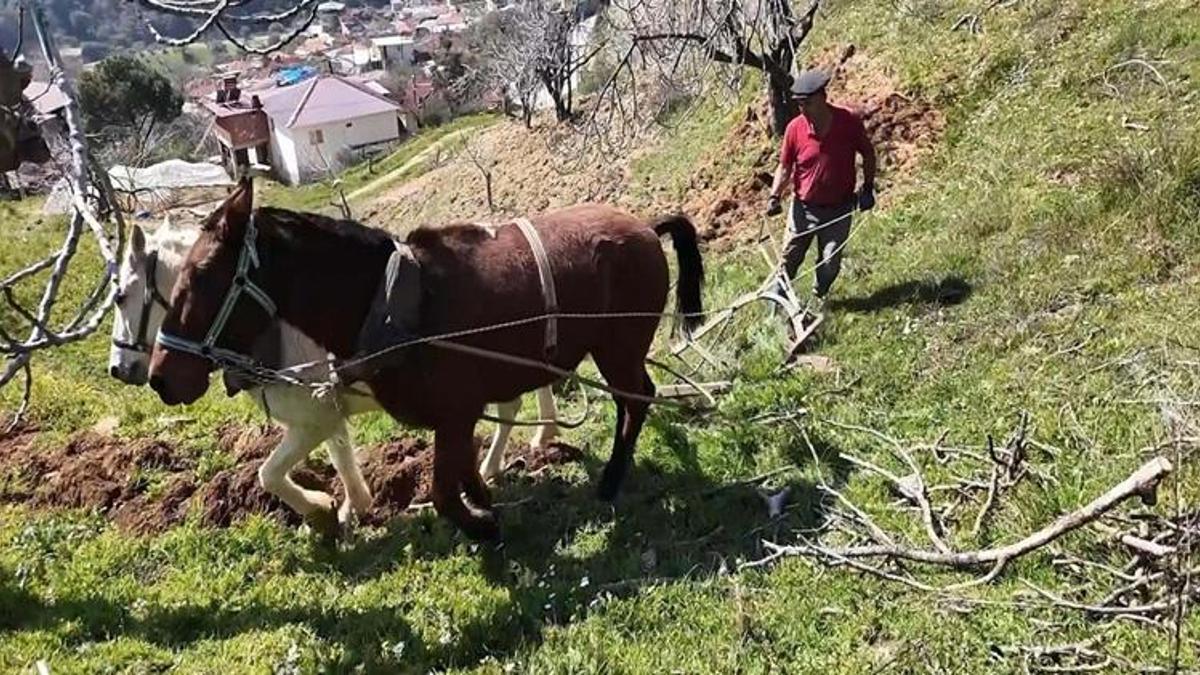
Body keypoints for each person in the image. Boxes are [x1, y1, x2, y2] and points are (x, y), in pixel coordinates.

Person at [766, 68, 877, 311]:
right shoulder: (795, 128)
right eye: (799, 104)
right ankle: (774, 308)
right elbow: (784, 167)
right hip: (803, 210)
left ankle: (819, 294)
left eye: (806, 103)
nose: (802, 109)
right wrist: (775, 196)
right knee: (789, 260)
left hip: (839, 209)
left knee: (829, 263)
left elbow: (868, 153)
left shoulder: (847, 122)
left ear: (822, 97)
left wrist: (868, 188)